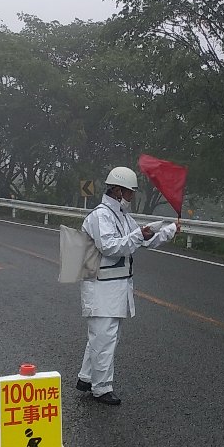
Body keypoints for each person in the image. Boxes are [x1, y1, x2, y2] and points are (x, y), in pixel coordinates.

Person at [76, 166, 178, 406]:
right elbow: (110, 247)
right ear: (118, 190)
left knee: (103, 337)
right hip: (100, 286)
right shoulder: (101, 216)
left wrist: (169, 231)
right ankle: (101, 388)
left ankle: (87, 378)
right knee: (104, 339)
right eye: (130, 192)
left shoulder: (121, 216)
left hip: (114, 287)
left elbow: (143, 241)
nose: (131, 196)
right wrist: (139, 235)